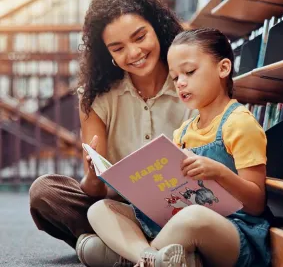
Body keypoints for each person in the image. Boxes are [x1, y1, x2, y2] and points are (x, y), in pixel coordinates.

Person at [28, 0, 195, 267]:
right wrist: (94, 176)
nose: (134, 53)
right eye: (118, 48)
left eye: (140, 37)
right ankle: (155, 251)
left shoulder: (189, 79)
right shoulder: (97, 97)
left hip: (181, 205)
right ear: (108, 54)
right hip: (117, 209)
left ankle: (116, 252)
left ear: (158, 28)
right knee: (45, 192)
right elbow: (96, 191)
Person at [87, 28, 271, 267]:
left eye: (190, 72)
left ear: (223, 68)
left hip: (231, 232)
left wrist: (219, 173)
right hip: (175, 224)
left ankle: (129, 257)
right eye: (175, 77)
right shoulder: (183, 132)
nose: (181, 83)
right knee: (99, 209)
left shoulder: (240, 123)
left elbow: (256, 204)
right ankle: (153, 258)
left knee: (193, 217)